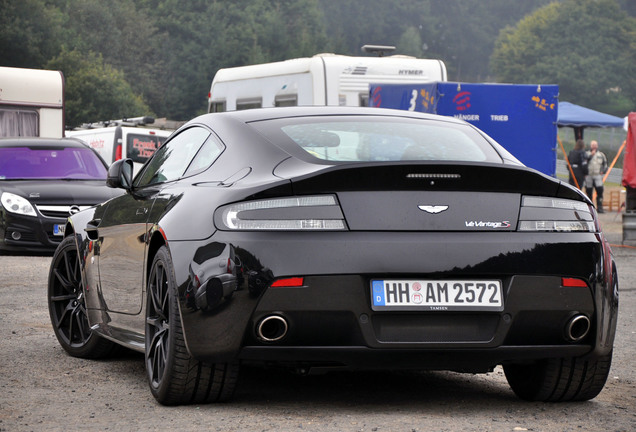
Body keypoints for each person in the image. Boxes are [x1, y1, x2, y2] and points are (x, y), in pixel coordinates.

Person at [585, 140, 608, 213]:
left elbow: (605, 165)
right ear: (590, 146)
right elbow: (583, 164)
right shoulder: (586, 154)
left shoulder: (601, 155)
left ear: (597, 146)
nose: (594, 146)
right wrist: (591, 155)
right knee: (589, 192)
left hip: (597, 175)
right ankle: (590, 209)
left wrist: (603, 171)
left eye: (595, 145)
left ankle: (600, 207)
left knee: (600, 191)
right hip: (589, 176)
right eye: (593, 145)